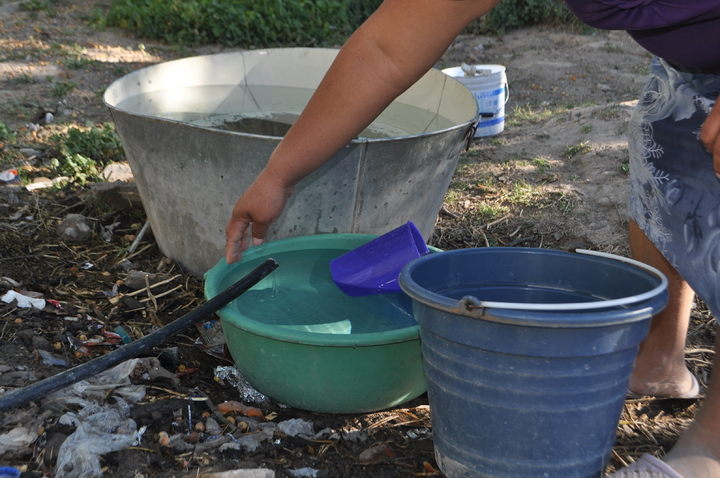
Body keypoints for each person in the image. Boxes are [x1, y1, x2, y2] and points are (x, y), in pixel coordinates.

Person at [225, 1, 720, 477]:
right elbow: (386, 48)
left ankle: (709, 452)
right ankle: (657, 361)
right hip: (697, 58)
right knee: (667, 149)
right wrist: (279, 174)